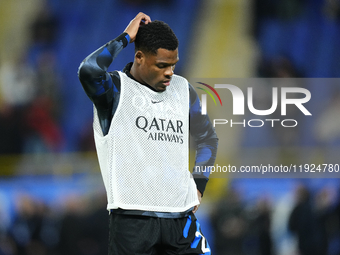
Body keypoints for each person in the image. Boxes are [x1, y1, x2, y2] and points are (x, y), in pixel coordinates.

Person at [78, 12, 218, 255]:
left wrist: (199, 184)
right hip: (132, 219)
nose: (169, 73)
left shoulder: (183, 89)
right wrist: (125, 38)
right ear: (139, 57)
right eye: (162, 65)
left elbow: (208, 138)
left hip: (181, 220)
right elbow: (88, 70)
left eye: (173, 65)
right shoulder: (114, 91)